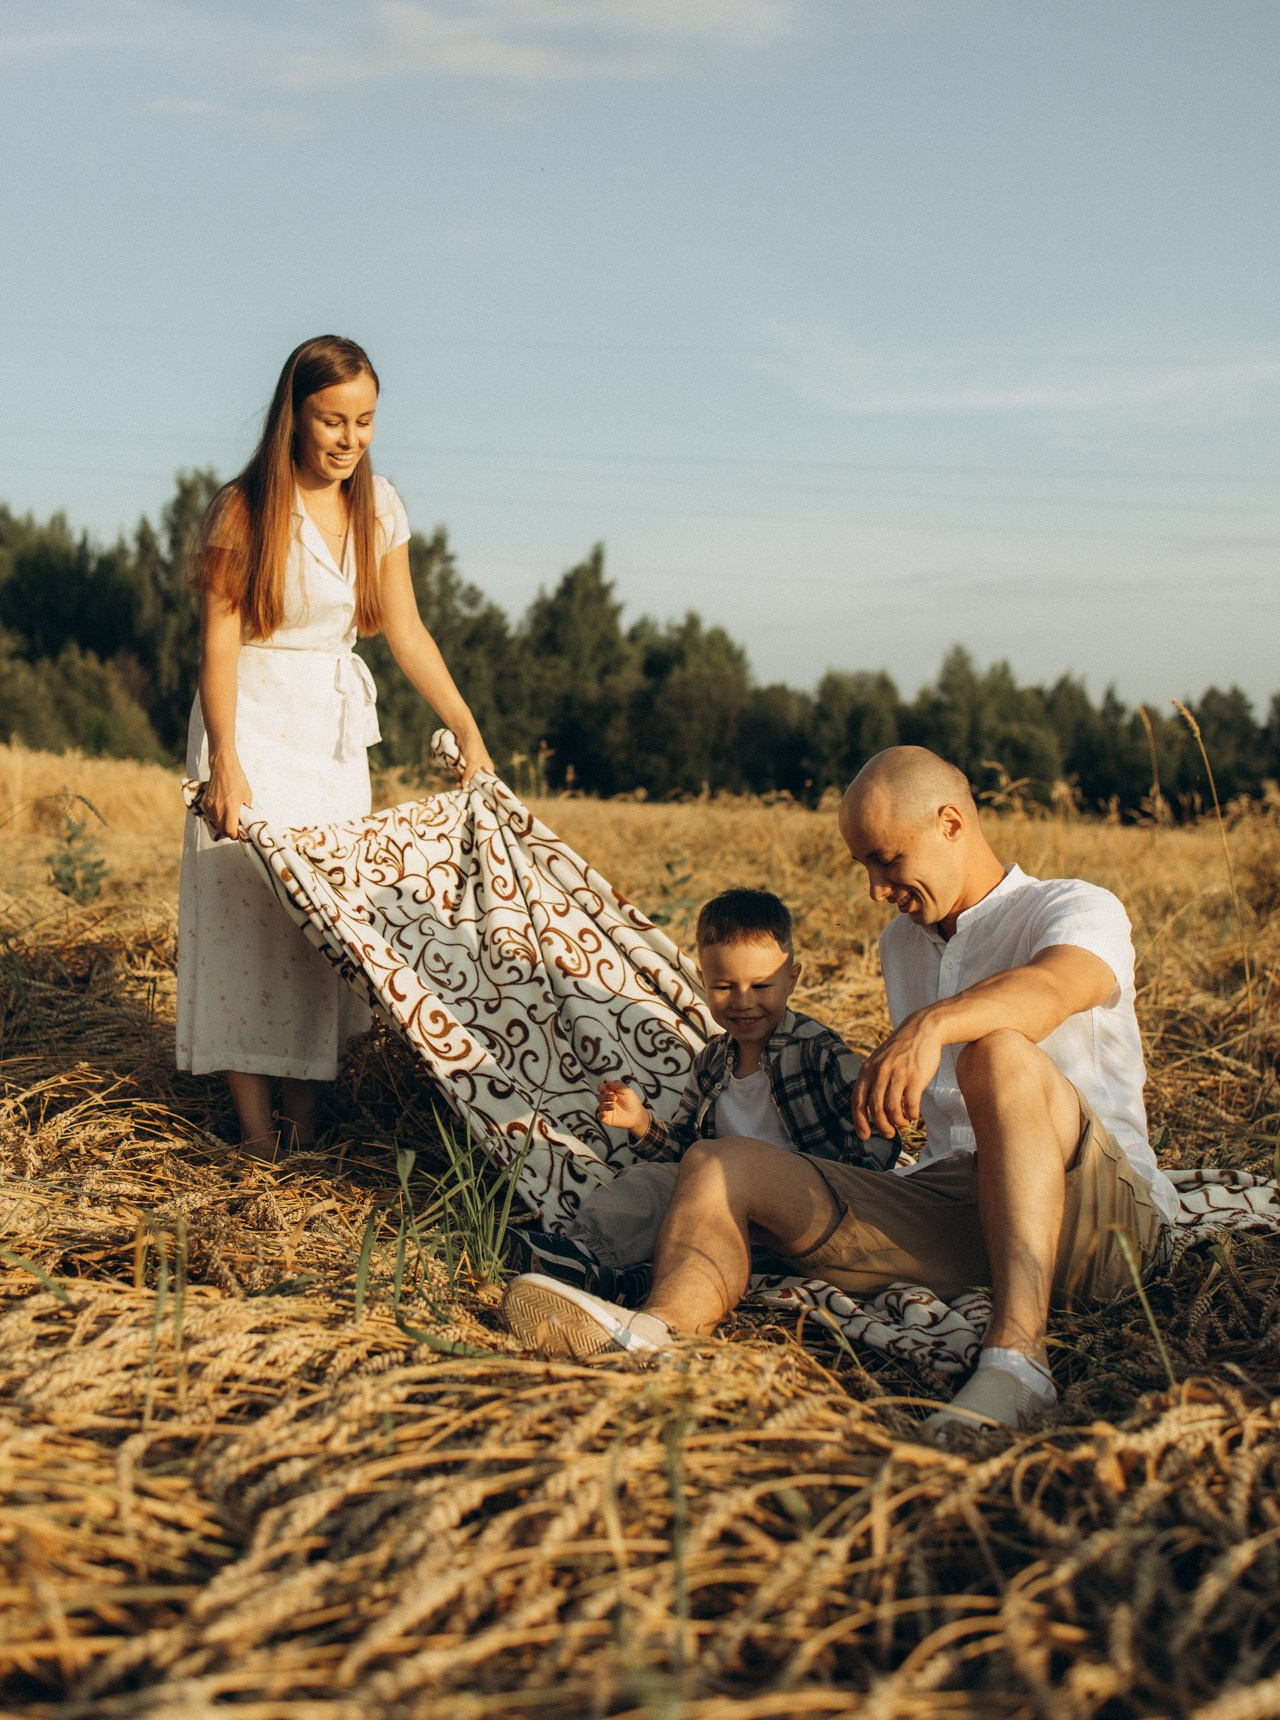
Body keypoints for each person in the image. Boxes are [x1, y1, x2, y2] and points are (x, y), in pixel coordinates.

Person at [501, 746, 1175, 1434]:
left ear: (950, 824)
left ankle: (1018, 1364)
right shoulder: (901, 945)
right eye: (864, 866)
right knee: (715, 1162)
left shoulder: (1072, 906)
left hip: (1102, 1225)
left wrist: (933, 1025)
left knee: (997, 1055)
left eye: (886, 860)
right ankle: (656, 1334)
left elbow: (1056, 988)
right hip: (962, 1210)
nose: (876, 888)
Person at [177, 334, 493, 1157]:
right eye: (331, 421)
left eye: (365, 420)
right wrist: (226, 762)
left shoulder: (379, 505)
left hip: (329, 733)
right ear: (294, 415)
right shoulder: (240, 509)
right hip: (246, 719)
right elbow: (217, 644)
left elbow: (408, 629)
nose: (349, 439)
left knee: (326, 924)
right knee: (246, 921)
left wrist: (466, 725)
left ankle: (309, 1128)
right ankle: (255, 1138)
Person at [509, 887, 898, 1302]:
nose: (744, 1002)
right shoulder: (712, 1062)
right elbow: (687, 1151)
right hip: (721, 1209)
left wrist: (847, 1205)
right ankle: (585, 1257)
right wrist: (641, 1123)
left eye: (761, 986)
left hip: (799, 1208)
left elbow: (875, 1131)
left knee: (704, 1223)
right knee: (649, 1183)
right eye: (725, 987)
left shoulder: (817, 1051)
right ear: (703, 982)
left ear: (792, 978)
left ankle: (633, 1274)